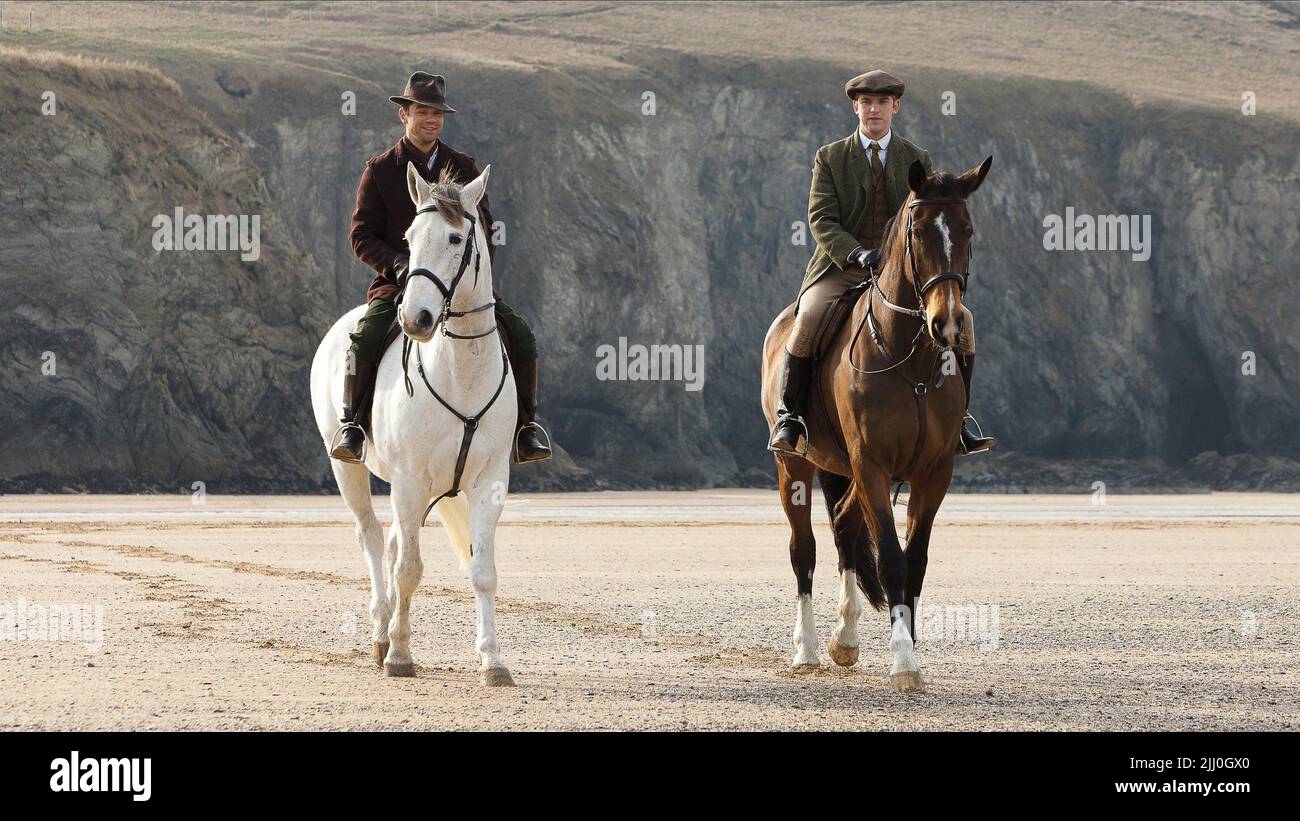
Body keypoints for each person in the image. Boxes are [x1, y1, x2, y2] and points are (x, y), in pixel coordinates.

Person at [768, 69, 995, 456]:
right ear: (856, 107)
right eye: (867, 103)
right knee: (807, 315)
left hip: (899, 270)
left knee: (964, 321)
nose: (874, 109)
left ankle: (961, 420)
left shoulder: (916, 158)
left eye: (882, 103)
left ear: (895, 107)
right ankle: (791, 417)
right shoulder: (830, 157)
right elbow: (822, 218)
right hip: (841, 266)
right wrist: (855, 251)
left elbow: (924, 220)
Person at [331, 71, 552, 464]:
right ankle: (354, 426)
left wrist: (469, 283)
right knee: (363, 339)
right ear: (405, 115)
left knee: (521, 334)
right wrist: (399, 266)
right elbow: (361, 237)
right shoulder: (380, 170)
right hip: (401, 285)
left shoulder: (463, 166)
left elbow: (483, 234)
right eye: (422, 111)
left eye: (437, 114)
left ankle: (525, 429)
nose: (431, 120)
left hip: (463, 288)